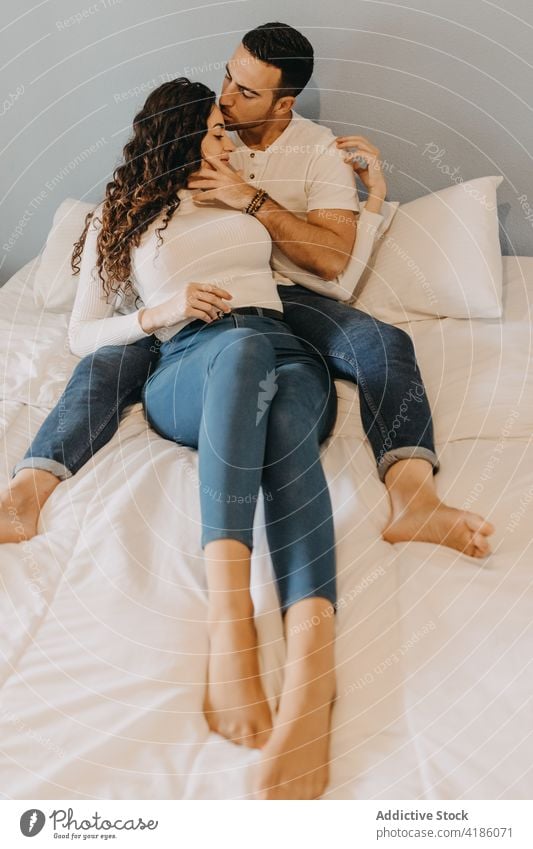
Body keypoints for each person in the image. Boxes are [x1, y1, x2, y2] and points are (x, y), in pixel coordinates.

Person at [0, 21, 495, 553]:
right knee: (102, 364)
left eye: (248, 92)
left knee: (384, 343)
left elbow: (334, 266)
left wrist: (291, 200)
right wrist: (155, 304)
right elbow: (129, 238)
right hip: (182, 306)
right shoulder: (198, 136)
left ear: (283, 105)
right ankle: (24, 495)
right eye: (228, 78)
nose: (228, 99)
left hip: (283, 300)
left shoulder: (315, 153)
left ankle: (415, 499)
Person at [65, 77, 338, 800]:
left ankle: (313, 672)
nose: (229, 142)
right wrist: (162, 310)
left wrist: (354, 204)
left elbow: (329, 270)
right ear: (179, 136)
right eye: (216, 130)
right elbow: (79, 333)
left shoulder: (244, 197)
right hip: (189, 363)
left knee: (281, 409)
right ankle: (231, 624)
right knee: (238, 348)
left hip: (282, 353)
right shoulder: (124, 218)